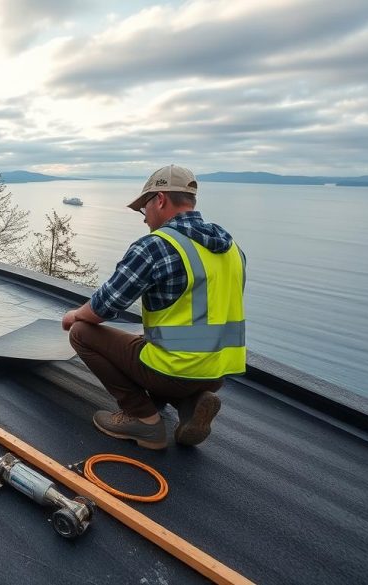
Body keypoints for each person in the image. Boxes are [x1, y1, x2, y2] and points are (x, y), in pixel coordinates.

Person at [62, 164, 246, 449]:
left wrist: (74, 315)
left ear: (159, 200)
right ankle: (191, 403)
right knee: (142, 342)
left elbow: (104, 306)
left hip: (172, 371)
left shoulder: (156, 246)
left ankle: (143, 419)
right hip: (217, 372)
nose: (144, 218)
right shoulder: (232, 248)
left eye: (144, 208)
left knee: (81, 332)